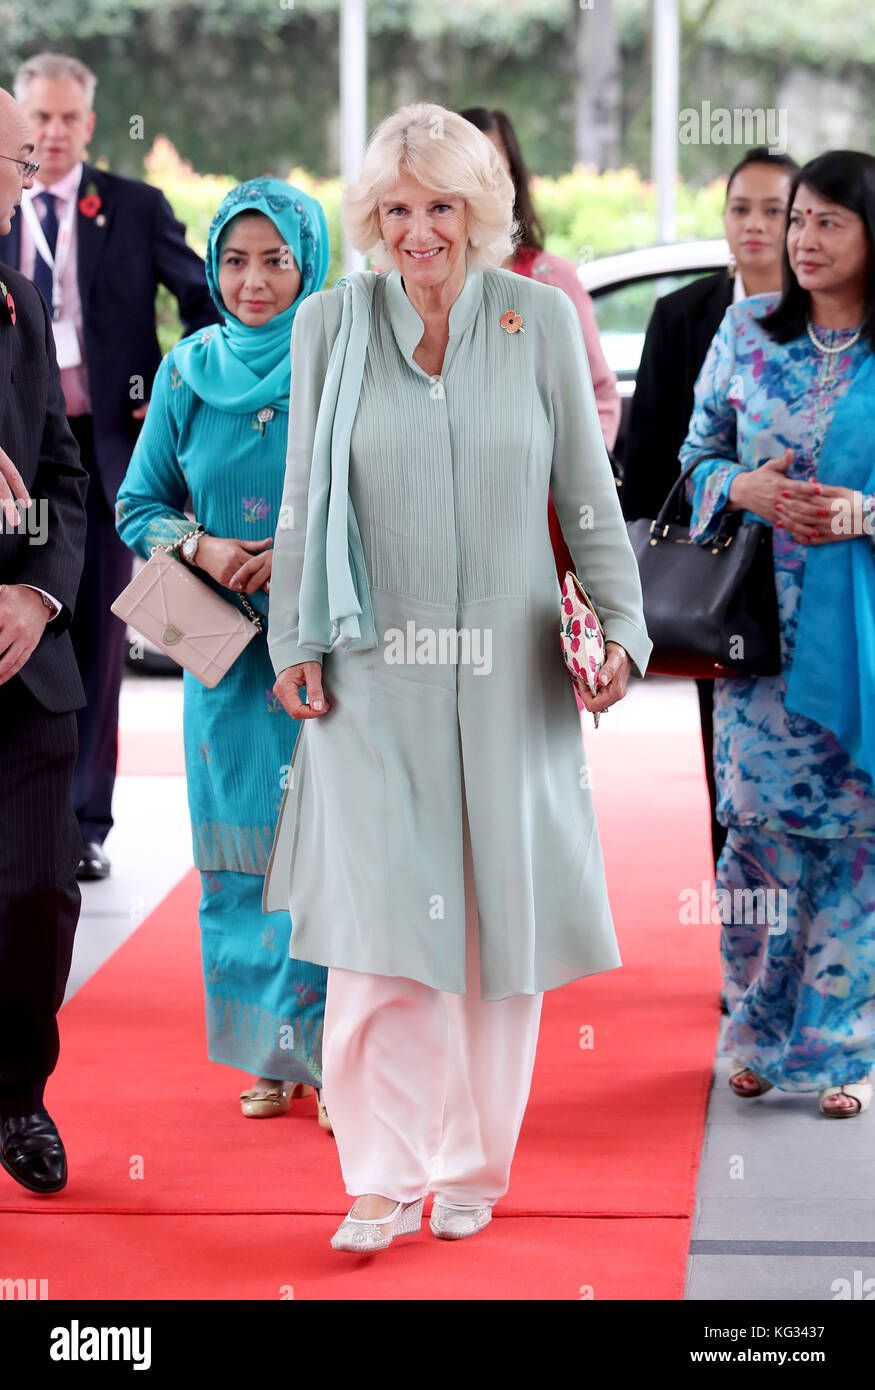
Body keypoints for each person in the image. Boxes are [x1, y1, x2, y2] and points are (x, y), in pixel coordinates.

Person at [263, 103, 652, 1250]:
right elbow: (298, 496)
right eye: (397, 208)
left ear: (479, 211)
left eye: (440, 206)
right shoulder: (328, 322)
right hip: (371, 657)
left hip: (512, 659)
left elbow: (585, 497)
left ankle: (471, 1162)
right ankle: (378, 1175)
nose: (419, 230)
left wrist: (620, 630)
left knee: (497, 931)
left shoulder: (535, 318)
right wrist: (294, 636)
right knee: (376, 926)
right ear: (372, 218)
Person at [116, 180, 331, 1127]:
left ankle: (328, 1051)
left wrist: (292, 551)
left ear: (308, 264)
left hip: (323, 643)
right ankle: (268, 1055)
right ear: (211, 266)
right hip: (221, 653)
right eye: (235, 261)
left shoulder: (339, 362)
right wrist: (200, 546)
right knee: (239, 860)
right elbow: (137, 504)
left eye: (275, 260)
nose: (254, 281)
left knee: (326, 855)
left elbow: (369, 496)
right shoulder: (185, 370)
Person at [679, 149, 875, 1118]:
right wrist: (739, 488)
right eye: (796, 220)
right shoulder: (746, 329)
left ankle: (839, 1050)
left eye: (827, 221)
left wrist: (862, 515)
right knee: (754, 845)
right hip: (756, 640)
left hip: (862, 637)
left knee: (854, 847)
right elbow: (693, 455)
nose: (801, 239)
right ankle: (751, 1031)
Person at [0, 52, 219, 882]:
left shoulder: (130, 207)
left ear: (89, 125)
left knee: (97, 633)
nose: (51, 136)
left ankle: (83, 819)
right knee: (27, 618)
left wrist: (182, 393)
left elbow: (204, 302)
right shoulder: (5, 212)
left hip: (104, 451)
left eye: (66, 120)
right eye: (39, 120)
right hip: (14, 454)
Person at [624, 146, 798, 877]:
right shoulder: (684, 314)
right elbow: (654, 453)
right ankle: (745, 951)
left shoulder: (846, 321)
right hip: (716, 579)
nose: (753, 226)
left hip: (816, 565)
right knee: (729, 770)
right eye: (739, 209)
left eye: (774, 211)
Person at [0, 86, 89, 1194]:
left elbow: (63, 481)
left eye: (16, 165)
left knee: (35, 894)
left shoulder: (20, 299)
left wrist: (36, 596)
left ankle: (18, 1093)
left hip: (26, 662)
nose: (12, 184)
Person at [459, 106, 620, 580]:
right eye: (462, 170)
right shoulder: (402, 282)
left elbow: (599, 393)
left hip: (541, 512)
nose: (477, 186)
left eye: (493, 169)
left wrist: (571, 475)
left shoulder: (552, 281)